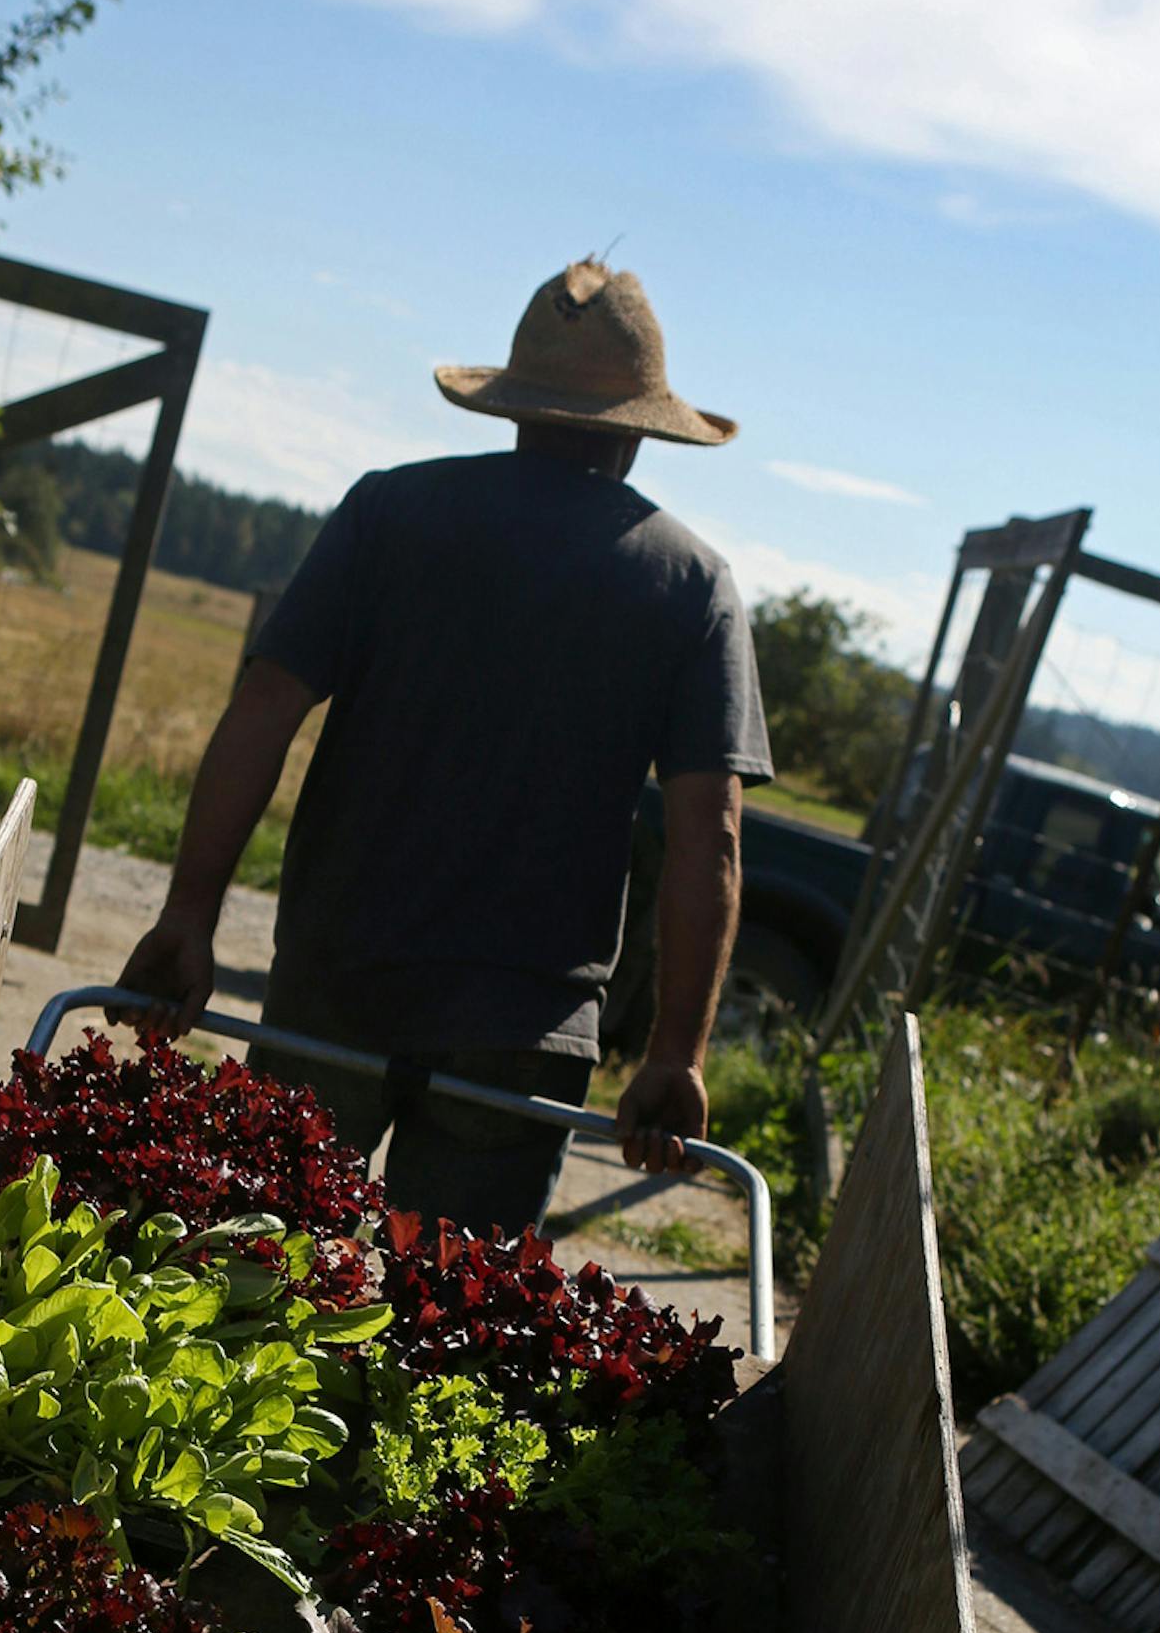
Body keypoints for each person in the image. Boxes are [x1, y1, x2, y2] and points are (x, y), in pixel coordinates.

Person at [117, 257, 771, 1230]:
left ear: (514, 406)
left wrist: (189, 913)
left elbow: (263, 707)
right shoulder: (691, 585)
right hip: (525, 1029)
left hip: (336, 982)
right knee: (444, 1343)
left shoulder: (390, 512)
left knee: (258, 1297)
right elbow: (707, 837)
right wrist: (676, 1052)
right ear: (639, 430)